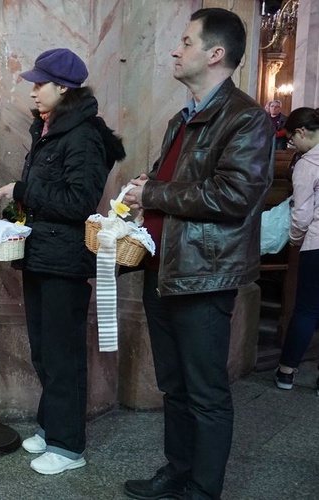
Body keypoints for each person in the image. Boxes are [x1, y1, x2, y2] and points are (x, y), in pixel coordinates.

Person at [121, 9, 273, 500]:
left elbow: (234, 197)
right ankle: (177, 471)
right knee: (175, 386)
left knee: (206, 393)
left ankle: (203, 490)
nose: (174, 50)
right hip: (165, 269)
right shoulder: (181, 118)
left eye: (185, 42)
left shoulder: (246, 118)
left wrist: (155, 194)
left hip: (205, 275)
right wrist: (142, 189)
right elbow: (175, 181)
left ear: (215, 54)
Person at [0, 48, 125, 475]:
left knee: (63, 355)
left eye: (38, 83)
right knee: (45, 352)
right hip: (42, 254)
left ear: (62, 88)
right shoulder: (50, 129)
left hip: (65, 261)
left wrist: (22, 191)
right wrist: (15, 210)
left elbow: (79, 202)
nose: (32, 91)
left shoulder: (82, 135)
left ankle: (69, 448)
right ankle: (52, 430)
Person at [273, 107, 319, 396]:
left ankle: (287, 372)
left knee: (306, 309)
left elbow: (301, 215)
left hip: (317, 243)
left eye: (291, 140)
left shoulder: (308, 163)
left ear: (301, 133)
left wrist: (294, 240)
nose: (293, 146)